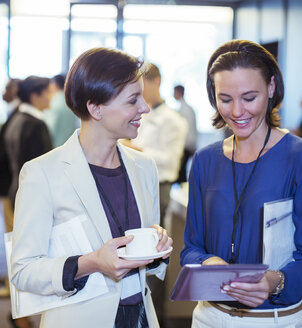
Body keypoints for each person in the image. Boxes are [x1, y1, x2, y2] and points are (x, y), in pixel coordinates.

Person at [10, 47, 173, 328]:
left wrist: (157, 247)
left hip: (141, 317)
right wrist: (91, 262)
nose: (145, 108)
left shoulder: (144, 167)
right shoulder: (43, 173)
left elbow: (143, 260)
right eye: (133, 100)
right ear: (95, 108)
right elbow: (23, 270)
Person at [180, 40, 302, 327]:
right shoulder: (205, 160)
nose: (237, 111)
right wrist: (207, 263)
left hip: (274, 319)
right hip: (209, 316)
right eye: (225, 99)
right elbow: (191, 248)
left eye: (249, 98)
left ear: (271, 88)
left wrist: (274, 280)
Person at [123, 63, 187, 323]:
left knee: (153, 258)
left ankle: (155, 317)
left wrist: (131, 148)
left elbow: (170, 163)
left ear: (156, 81)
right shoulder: (143, 116)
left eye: (141, 87)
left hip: (159, 189)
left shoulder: (174, 121)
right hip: (133, 185)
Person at [0, 78, 21, 300]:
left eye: (7, 88)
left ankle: (14, 286)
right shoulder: (13, 112)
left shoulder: (20, 116)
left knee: (14, 238)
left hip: (11, 187)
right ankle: (12, 279)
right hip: (6, 186)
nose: (3, 91)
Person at [4, 75, 53, 207]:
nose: (51, 96)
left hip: (17, 192)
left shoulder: (17, 118)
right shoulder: (35, 125)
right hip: (31, 198)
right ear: (34, 96)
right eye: (47, 92)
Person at [44, 74, 79, 147]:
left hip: (54, 147)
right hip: (69, 146)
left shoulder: (52, 103)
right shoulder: (71, 102)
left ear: (54, 85)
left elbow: (50, 129)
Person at [173, 84, 197, 183]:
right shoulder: (187, 108)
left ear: (179, 93)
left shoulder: (185, 110)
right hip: (188, 144)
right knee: (182, 172)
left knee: (181, 173)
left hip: (185, 145)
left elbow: (186, 130)